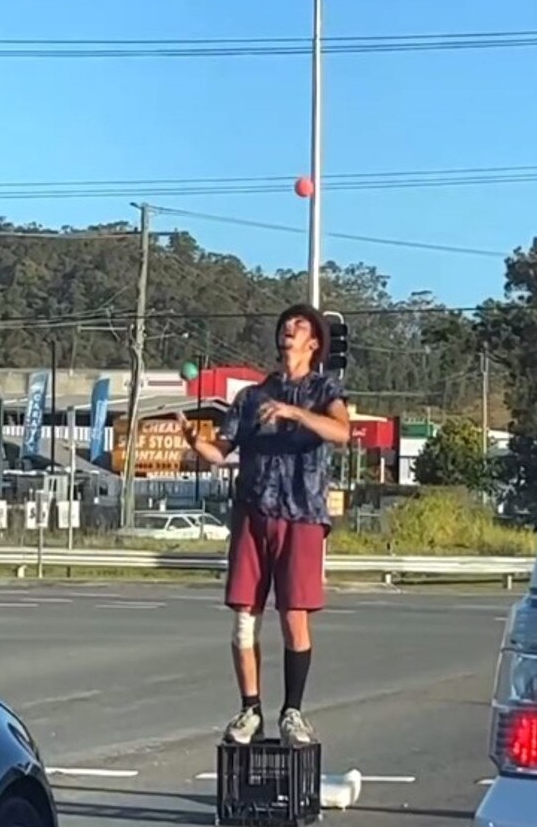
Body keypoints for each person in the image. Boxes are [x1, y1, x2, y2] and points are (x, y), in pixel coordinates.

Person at [177, 303, 350, 747]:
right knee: (242, 618)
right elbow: (221, 451)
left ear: (314, 343)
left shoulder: (324, 390)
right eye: (284, 326)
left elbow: (341, 432)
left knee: (294, 616)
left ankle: (293, 711)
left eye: (298, 327)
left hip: (303, 514)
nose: (288, 331)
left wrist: (295, 415)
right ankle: (249, 709)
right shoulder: (251, 398)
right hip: (254, 511)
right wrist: (198, 444)